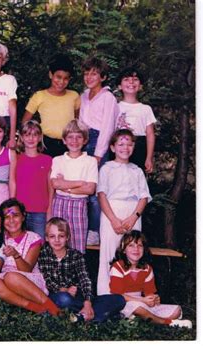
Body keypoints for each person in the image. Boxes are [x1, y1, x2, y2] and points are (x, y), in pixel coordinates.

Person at [38, 217, 125, 323]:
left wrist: (87, 303)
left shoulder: (76, 255)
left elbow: (85, 280)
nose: (57, 240)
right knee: (64, 299)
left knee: (119, 299)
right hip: (57, 296)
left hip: (78, 297)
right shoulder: (43, 254)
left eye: (61, 236)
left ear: (67, 237)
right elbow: (47, 279)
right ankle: (96, 316)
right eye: (52, 236)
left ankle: (82, 315)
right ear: (46, 238)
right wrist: (64, 290)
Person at [96, 129, 151, 295]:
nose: (125, 148)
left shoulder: (137, 170)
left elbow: (144, 197)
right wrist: (113, 220)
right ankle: (107, 295)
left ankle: (131, 298)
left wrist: (134, 217)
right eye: (120, 144)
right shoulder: (106, 168)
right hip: (111, 212)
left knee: (132, 254)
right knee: (109, 253)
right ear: (113, 148)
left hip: (133, 213)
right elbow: (101, 195)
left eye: (129, 144)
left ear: (133, 147)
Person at [0, 198, 60, 316]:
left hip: (28, 280)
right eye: (6, 217)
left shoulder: (33, 238)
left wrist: (16, 255)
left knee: (11, 277)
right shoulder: (0, 238)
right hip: (5, 279)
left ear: (23, 216)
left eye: (15, 215)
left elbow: (26, 269)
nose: (11, 220)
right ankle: (35, 308)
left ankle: (54, 309)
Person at [109, 231, 192, 328]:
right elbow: (118, 295)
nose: (136, 249)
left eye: (140, 245)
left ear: (144, 249)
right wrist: (143, 300)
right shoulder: (117, 266)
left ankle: (141, 319)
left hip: (141, 303)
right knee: (138, 307)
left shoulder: (147, 268)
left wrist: (154, 299)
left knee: (176, 310)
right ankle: (167, 322)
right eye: (131, 245)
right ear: (123, 250)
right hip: (122, 303)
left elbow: (149, 293)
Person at [79, 57, 120, 246]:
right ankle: (82, 226)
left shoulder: (108, 97)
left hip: (98, 144)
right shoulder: (84, 95)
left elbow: (107, 128)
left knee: (95, 191)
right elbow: (80, 122)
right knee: (82, 188)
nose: (89, 77)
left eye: (94, 73)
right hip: (82, 141)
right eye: (86, 73)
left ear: (102, 77)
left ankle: (95, 231)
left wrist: (98, 154)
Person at [50, 120, 98, 254]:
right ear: (64, 140)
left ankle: (75, 273)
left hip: (79, 205)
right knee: (57, 242)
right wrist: (80, 182)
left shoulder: (91, 161)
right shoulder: (57, 160)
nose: (74, 141)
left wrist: (66, 186)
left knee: (77, 245)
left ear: (85, 140)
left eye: (78, 137)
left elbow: (90, 189)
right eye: (70, 137)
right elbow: (55, 184)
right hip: (59, 203)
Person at [22, 53, 80, 157]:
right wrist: (29, 139)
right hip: (45, 144)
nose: (61, 82)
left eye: (66, 78)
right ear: (50, 75)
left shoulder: (74, 96)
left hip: (68, 144)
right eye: (58, 77)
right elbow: (25, 121)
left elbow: (77, 119)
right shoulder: (39, 96)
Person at [16, 120, 53, 239]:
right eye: (27, 135)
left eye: (35, 134)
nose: (31, 138)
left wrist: (49, 210)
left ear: (40, 137)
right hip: (19, 212)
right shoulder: (15, 159)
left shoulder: (48, 160)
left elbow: (51, 188)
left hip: (40, 213)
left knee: (39, 248)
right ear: (21, 137)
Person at [115, 67, 157, 174]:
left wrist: (149, 157)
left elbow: (150, 134)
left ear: (141, 86)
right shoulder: (114, 107)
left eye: (135, 79)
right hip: (118, 146)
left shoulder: (146, 108)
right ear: (119, 86)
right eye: (126, 79)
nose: (131, 82)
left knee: (136, 178)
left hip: (139, 146)